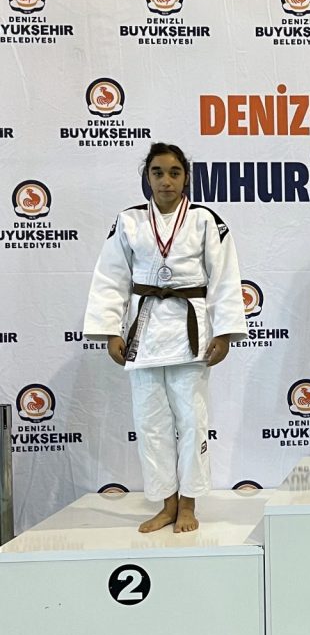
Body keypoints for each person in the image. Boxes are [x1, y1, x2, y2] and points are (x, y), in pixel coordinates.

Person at [84, 143, 247, 533]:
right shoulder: (129, 221)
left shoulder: (206, 220)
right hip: (144, 332)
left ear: (186, 177)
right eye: (157, 172)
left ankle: (189, 503)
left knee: (192, 420)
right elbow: (111, 277)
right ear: (148, 177)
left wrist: (225, 333)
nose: (166, 181)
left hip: (190, 333)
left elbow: (225, 278)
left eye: (174, 172)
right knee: (150, 423)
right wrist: (110, 330)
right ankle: (166, 503)